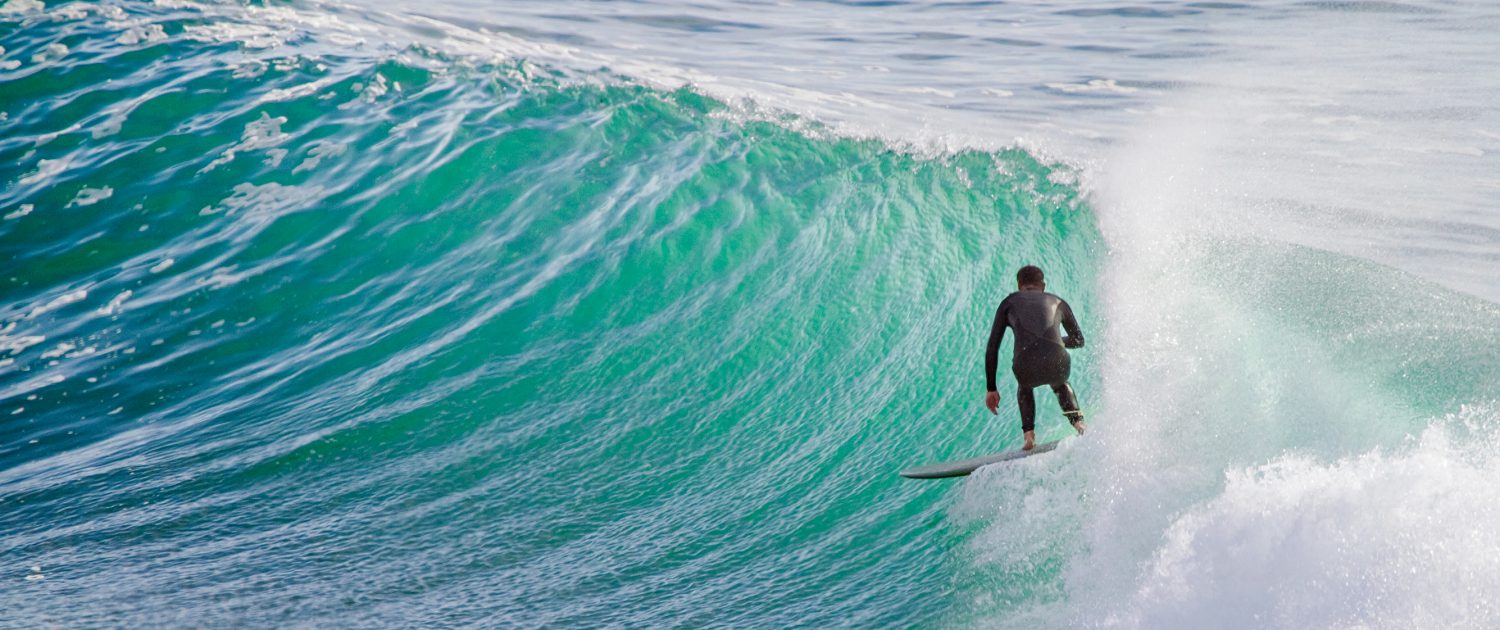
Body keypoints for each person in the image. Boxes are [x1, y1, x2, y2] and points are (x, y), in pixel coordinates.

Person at [984, 265, 1086, 450]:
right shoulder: (1058, 301)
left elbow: (993, 346)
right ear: (1043, 285)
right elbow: (1079, 340)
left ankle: (1029, 437)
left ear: (1018, 285)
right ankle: (1079, 424)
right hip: (1059, 361)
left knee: (1025, 387)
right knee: (1061, 384)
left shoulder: (1009, 302)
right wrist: (1056, 340)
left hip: (1025, 365)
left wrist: (991, 388)